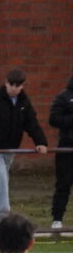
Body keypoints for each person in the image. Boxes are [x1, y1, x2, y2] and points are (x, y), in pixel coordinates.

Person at [0, 68, 49, 230]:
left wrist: (40, 142)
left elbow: (32, 123)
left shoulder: (24, 102)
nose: (14, 88)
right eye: (11, 84)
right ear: (6, 83)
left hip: (10, 148)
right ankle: (3, 216)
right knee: (1, 177)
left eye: (18, 85)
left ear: (22, 86)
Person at [47, 74, 73, 230]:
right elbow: (53, 119)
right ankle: (57, 219)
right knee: (63, 184)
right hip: (67, 147)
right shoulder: (64, 97)